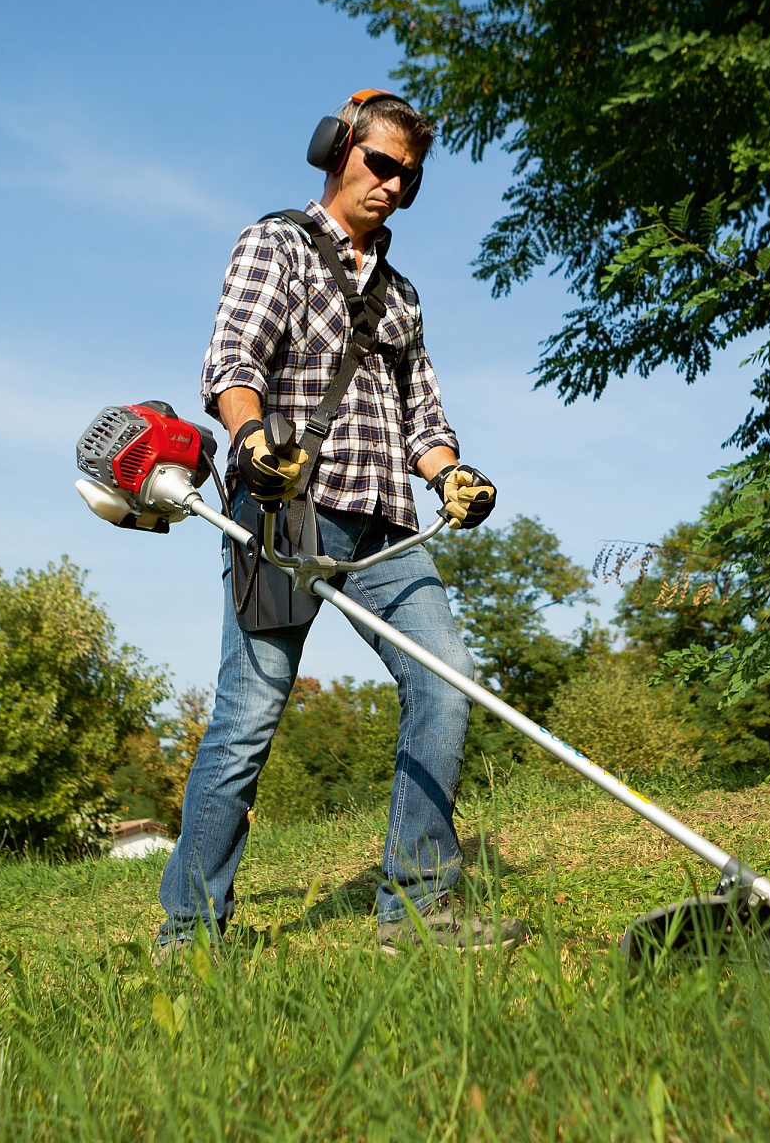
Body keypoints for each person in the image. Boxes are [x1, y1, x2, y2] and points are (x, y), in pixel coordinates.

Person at [157, 90, 524, 957]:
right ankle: (190, 931)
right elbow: (230, 360)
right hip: (286, 513)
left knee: (446, 682)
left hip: (388, 525)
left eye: (410, 176)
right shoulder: (276, 243)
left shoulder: (401, 297)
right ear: (338, 149)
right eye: (381, 163)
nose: (393, 185)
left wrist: (454, 478)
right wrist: (250, 438)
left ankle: (418, 908)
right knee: (250, 715)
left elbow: (424, 422)